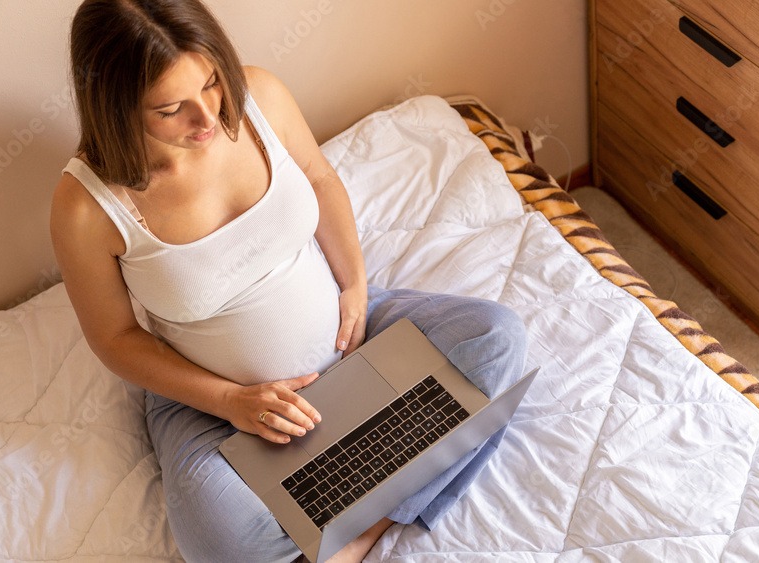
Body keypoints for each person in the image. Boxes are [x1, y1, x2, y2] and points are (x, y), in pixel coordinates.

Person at [49, 1, 527, 561]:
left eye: (211, 84)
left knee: (497, 339)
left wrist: (354, 285)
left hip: (351, 336)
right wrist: (232, 401)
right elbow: (115, 340)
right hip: (216, 406)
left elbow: (320, 179)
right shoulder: (85, 207)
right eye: (171, 109)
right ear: (115, 107)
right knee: (219, 537)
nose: (207, 119)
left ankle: (361, 534)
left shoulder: (261, 98)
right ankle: (382, 493)